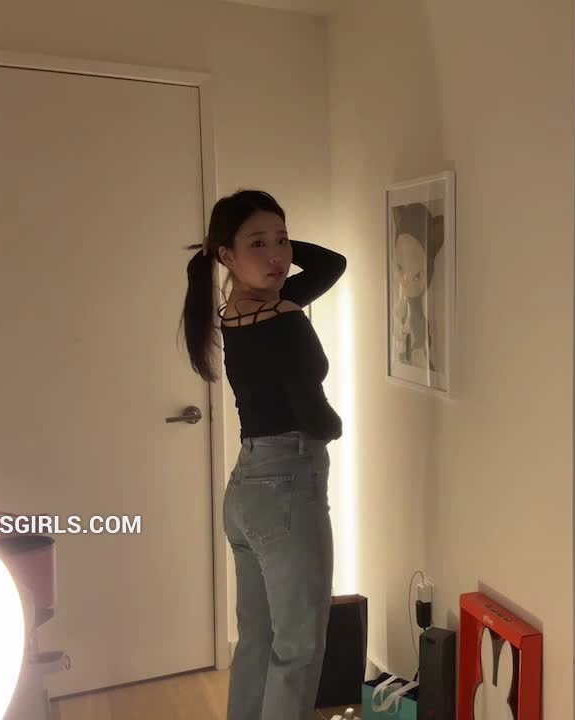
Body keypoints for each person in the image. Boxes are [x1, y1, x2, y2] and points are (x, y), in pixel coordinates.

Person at [182, 190, 346, 720]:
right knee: (299, 646)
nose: (277, 255)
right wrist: (336, 426)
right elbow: (314, 414)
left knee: (258, 639)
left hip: (247, 490)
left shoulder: (238, 311)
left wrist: (259, 253)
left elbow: (331, 265)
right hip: (287, 487)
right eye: (258, 243)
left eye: (282, 240)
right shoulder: (282, 315)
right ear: (225, 255)